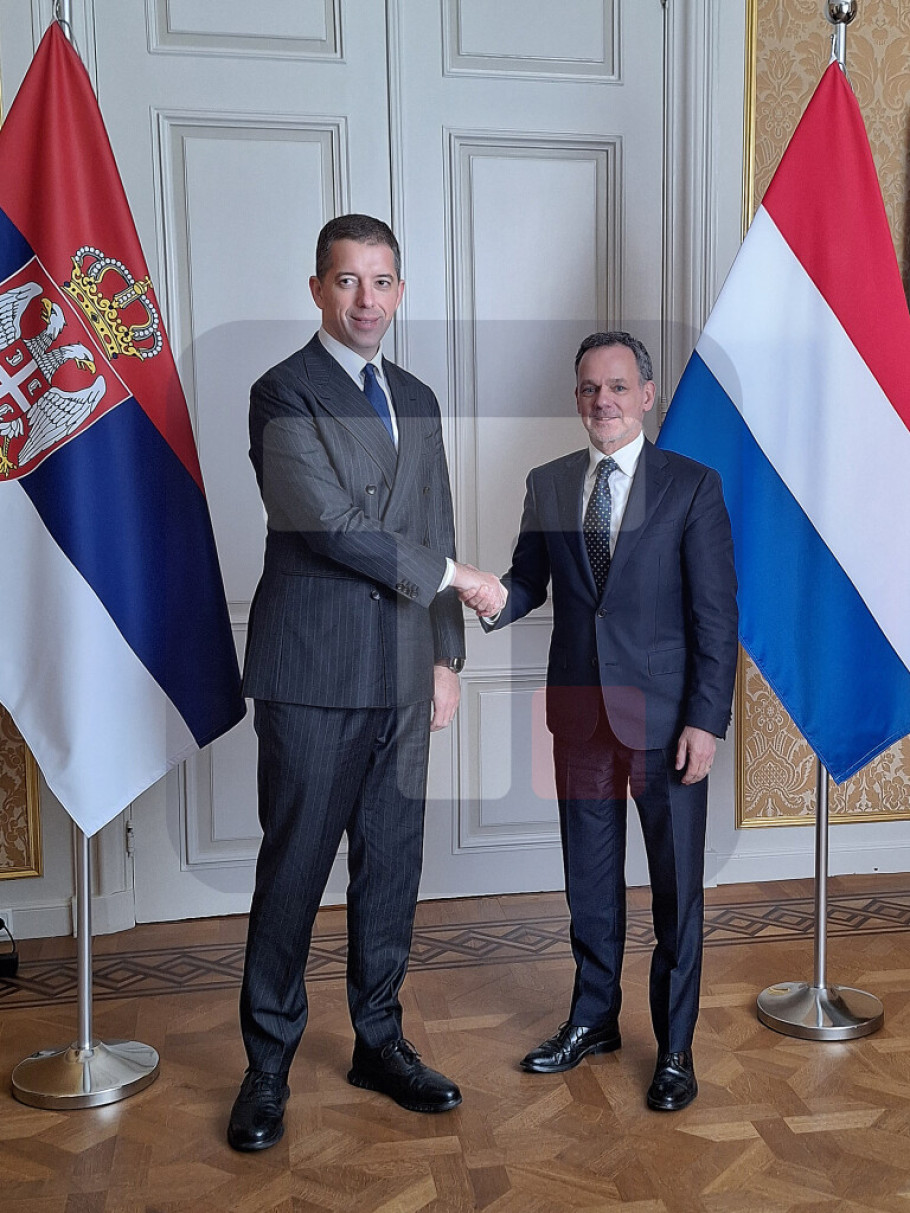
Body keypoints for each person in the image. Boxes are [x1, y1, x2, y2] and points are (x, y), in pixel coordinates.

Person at [229, 214, 506, 1151]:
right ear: (317, 289)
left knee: (392, 866)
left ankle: (379, 1042)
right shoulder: (281, 392)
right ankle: (267, 1066)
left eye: (381, 281)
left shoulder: (416, 397)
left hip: (402, 676)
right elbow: (329, 523)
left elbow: (433, 516)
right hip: (312, 673)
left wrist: (445, 655)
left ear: (400, 290)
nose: (366, 300)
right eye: (347, 280)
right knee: (295, 870)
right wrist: (461, 579)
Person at [463, 331, 737, 1112]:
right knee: (589, 881)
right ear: (576, 398)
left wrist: (706, 720)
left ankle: (675, 1047)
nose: (603, 400)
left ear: (646, 395)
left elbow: (716, 615)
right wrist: (489, 594)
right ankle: (594, 1019)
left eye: (618, 386)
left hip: (668, 724)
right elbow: (528, 581)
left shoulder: (692, 486)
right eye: (589, 388)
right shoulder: (550, 483)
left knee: (677, 891)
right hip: (580, 716)